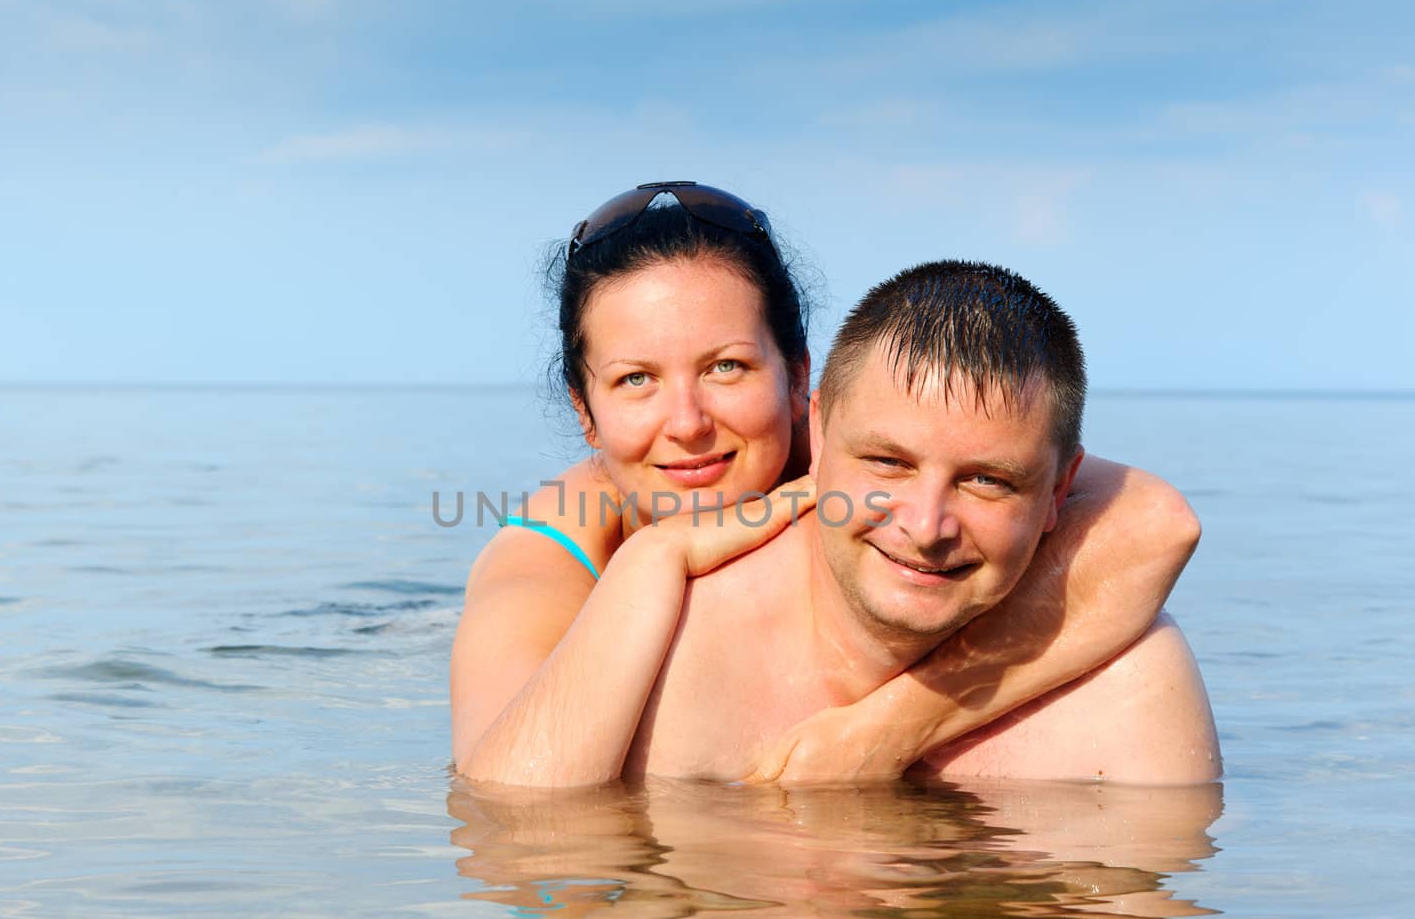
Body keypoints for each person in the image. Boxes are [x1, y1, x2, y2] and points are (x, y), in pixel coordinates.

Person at [449, 182, 1215, 787]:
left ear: (800, 382)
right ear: (585, 412)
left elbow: (1156, 522)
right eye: (635, 380)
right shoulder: (557, 544)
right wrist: (655, 557)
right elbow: (515, 801)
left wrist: (895, 725)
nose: (686, 421)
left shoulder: (866, 449)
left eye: (727, 367)